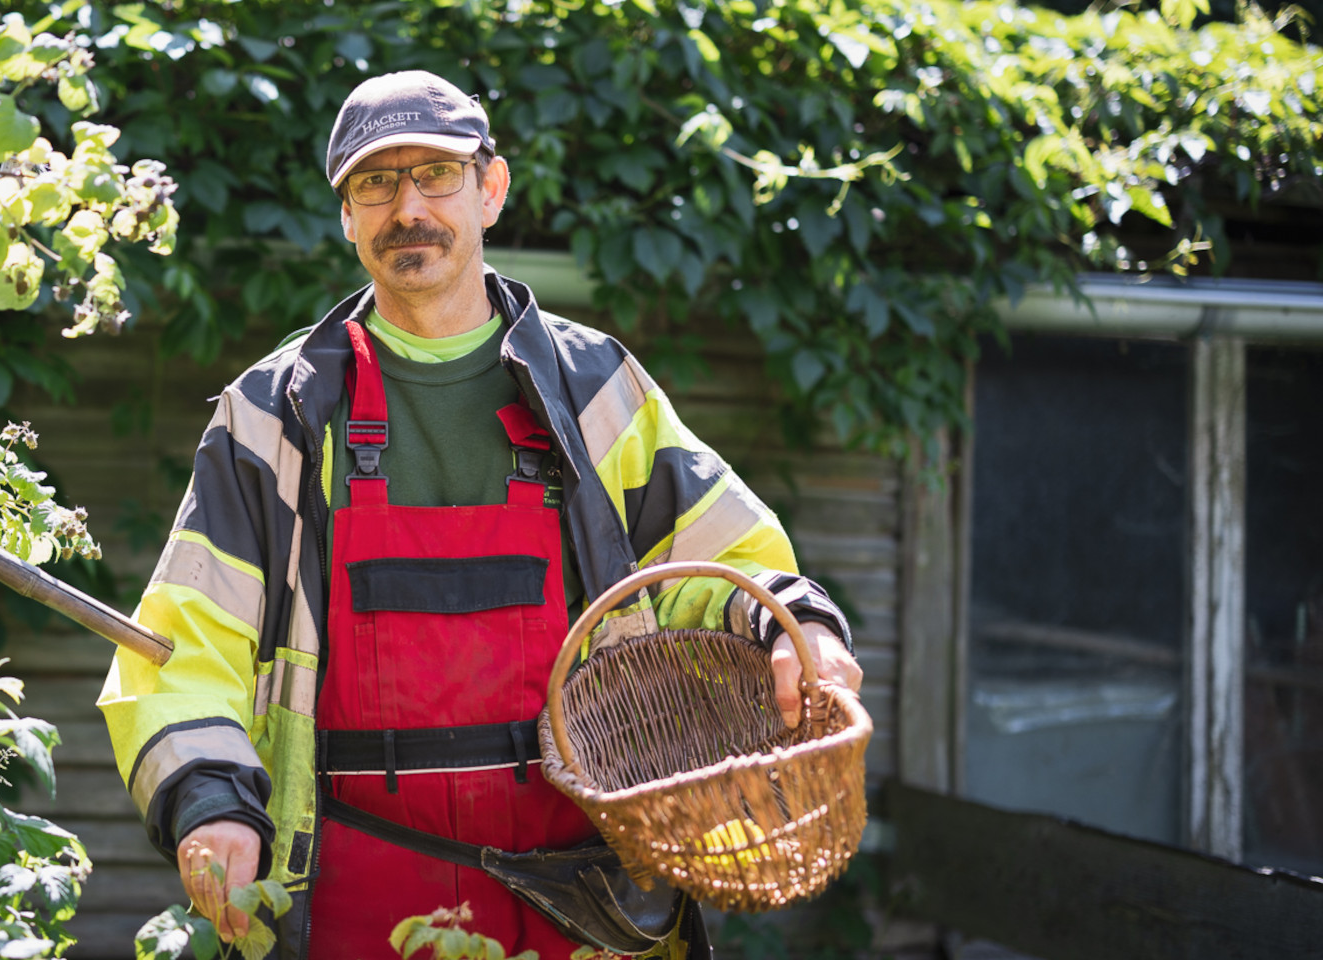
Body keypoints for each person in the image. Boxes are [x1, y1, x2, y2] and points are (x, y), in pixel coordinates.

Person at [98, 70, 863, 959]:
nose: (406, 207)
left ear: (490, 190)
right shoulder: (276, 417)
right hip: (351, 895)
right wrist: (209, 802)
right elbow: (185, 646)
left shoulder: (594, 389)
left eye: (436, 174)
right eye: (375, 183)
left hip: (583, 894)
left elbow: (721, 566)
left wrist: (798, 627)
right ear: (347, 217)